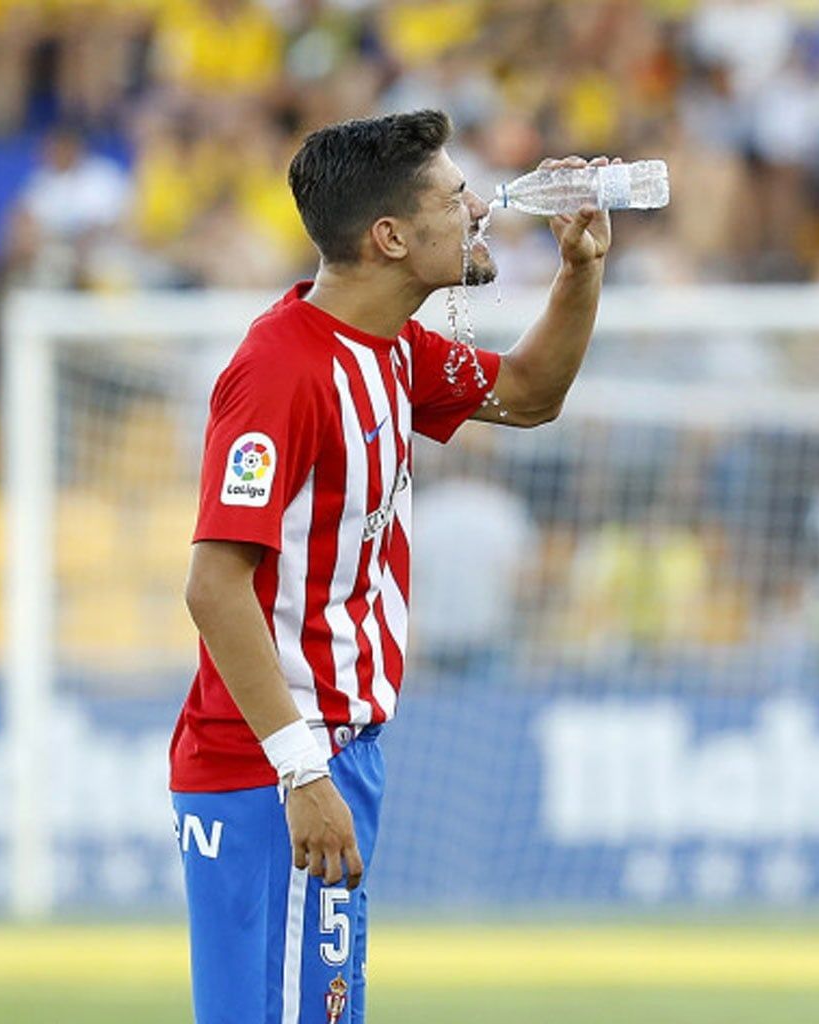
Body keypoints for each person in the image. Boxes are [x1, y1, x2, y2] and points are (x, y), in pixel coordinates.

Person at [169, 109, 612, 1023]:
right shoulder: (280, 371)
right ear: (391, 237)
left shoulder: (392, 351)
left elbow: (528, 397)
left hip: (328, 755)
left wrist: (580, 271)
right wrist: (299, 770)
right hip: (274, 765)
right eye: (457, 196)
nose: (482, 207)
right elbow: (214, 585)